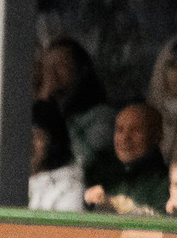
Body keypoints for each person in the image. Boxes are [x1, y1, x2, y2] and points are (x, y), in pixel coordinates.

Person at [37, 37, 117, 172]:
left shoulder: (103, 115)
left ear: (82, 70)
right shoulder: (40, 107)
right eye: (48, 67)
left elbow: (87, 161)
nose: (51, 73)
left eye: (60, 65)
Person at [82, 102, 171, 213]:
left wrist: (112, 205)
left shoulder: (168, 184)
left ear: (156, 136)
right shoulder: (98, 173)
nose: (125, 138)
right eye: (120, 129)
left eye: (135, 131)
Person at [26, 100, 86, 211]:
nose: (29, 143)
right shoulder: (7, 182)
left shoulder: (69, 188)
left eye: (37, 135)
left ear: (53, 142)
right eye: (25, 135)